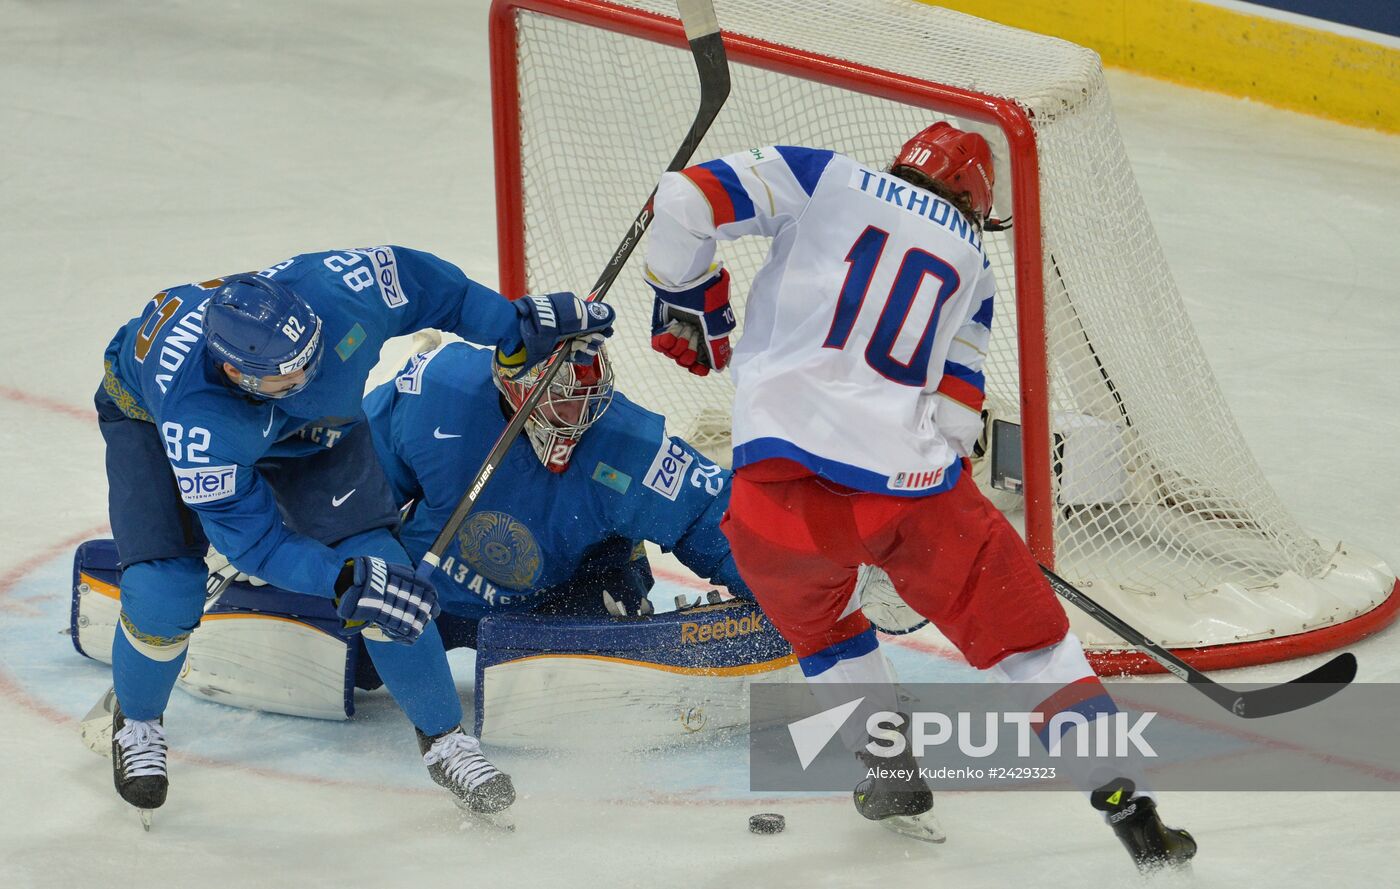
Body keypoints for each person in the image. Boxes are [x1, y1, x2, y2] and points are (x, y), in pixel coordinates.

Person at [641, 126, 1197, 871]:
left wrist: (687, 295)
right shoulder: (974, 264)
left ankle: (890, 773)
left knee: (825, 631)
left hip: (771, 499)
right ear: (977, 204)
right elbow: (956, 424)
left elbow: (683, 198)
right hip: (907, 499)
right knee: (1034, 646)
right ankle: (1131, 809)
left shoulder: (822, 175)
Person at [94, 244, 613, 826]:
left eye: (312, 356)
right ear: (237, 374)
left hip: (314, 435)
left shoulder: (340, 291)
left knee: (387, 576)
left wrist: (514, 329)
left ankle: (445, 741)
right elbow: (256, 542)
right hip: (144, 416)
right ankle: (138, 721)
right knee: (164, 592)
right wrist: (336, 579)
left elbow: (440, 292)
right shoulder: (198, 424)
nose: (310, 375)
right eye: (290, 374)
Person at [361, 338, 751, 641]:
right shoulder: (439, 389)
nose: (578, 418)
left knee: (614, 627)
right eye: (563, 401)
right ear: (518, 388)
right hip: (428, 591)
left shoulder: (626, 443)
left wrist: (776, 585)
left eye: (587, 399)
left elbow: (709, 516)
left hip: (564, 598)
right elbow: (355, 488)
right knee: (350, 621)